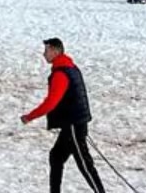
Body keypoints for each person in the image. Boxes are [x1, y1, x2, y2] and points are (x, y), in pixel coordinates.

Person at [20, 37, 105, 193]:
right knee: (56, 157)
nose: (44, 54)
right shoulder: (69, 67)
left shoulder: (61, 74)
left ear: (55, 51)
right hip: (72, 124)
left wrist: (29, 117)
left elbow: (51, 102)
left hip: (73, 125)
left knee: (84, 164)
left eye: (46, 50)